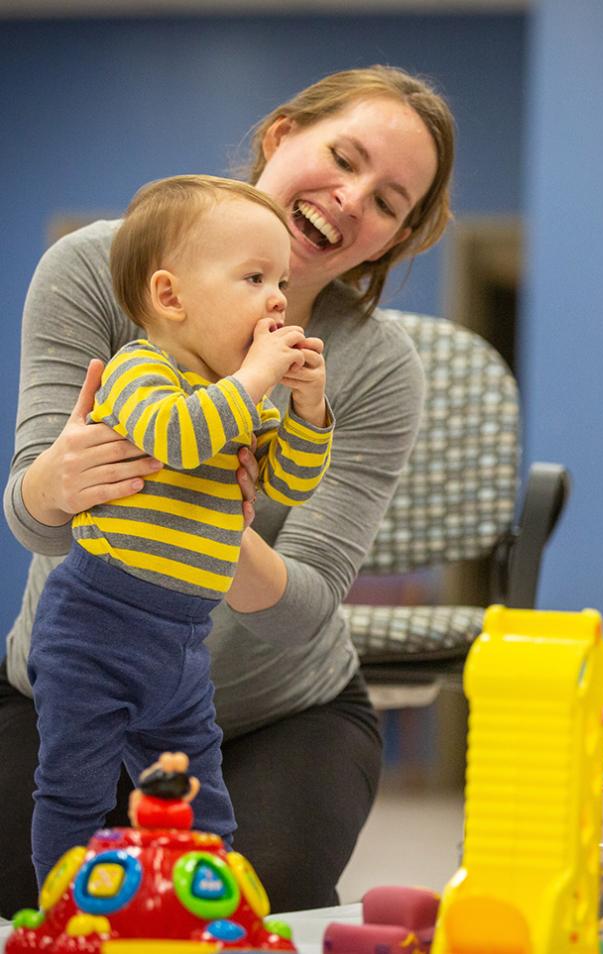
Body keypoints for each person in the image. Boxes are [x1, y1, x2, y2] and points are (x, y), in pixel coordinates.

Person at [1, 64, 455, 914]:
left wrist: (233, 492)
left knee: (247, 895)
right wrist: (60, 485)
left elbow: (301, 606)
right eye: (344, 157)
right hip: (75, 675)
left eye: (390, 202)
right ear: (280, 136)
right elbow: (43, 523)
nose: (355, 199)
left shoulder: (373, 369)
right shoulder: (104, 277)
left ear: (393, 239)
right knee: (38, 888)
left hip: (273, 709)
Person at [28, 174, 333, 886]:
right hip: (95, 626)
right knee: (78, 790)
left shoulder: (242, 398)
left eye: (281, 280)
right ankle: (61, 913)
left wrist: (310, 410)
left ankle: (210, 906)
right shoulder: (140, 370)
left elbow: (290, 484)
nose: (279, 299)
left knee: (202, 800)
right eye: (255, 278)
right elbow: (177, 439)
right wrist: (257, 380)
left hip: (183, 639)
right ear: (170, 297)